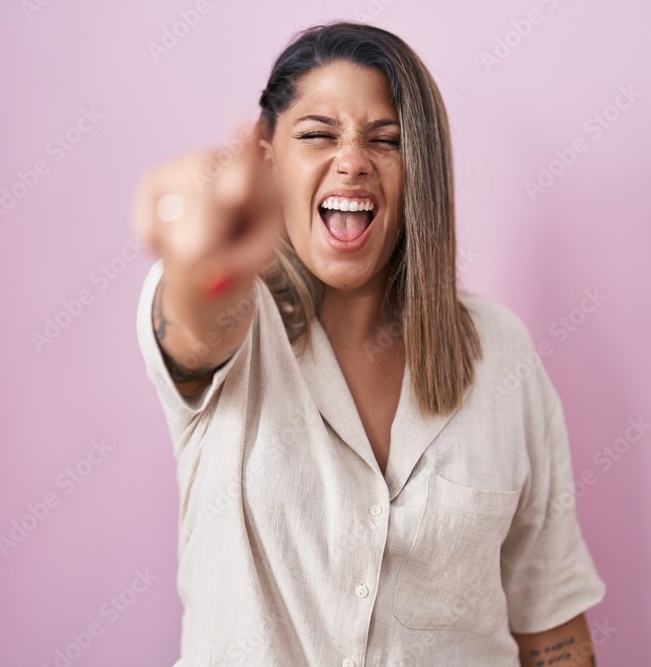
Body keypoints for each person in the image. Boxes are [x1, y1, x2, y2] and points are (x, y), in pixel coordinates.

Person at [132, 21, 606, 667]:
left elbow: (550, 620)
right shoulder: (239, 326)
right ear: (268, 159)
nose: (353, 159)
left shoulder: (503, 351)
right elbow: (195, 302)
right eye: (318, 135)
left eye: (386, 141)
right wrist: (195, 226)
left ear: (420, 174)